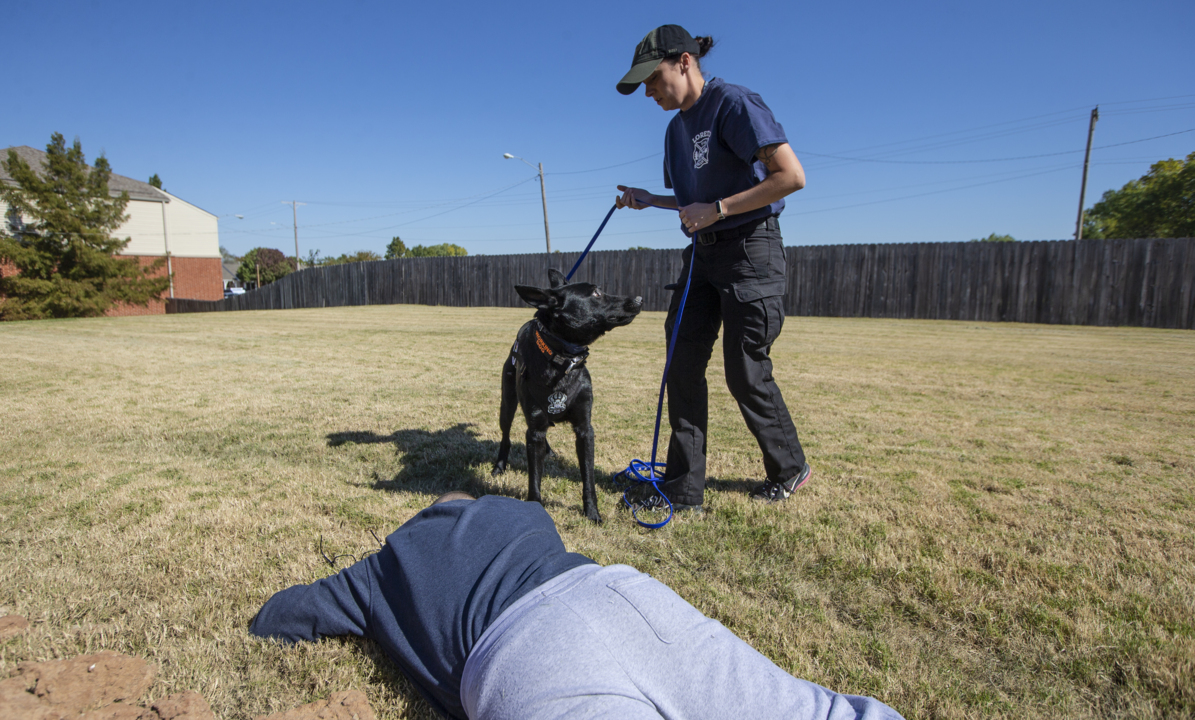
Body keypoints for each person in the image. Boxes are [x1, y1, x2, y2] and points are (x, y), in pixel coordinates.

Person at [250, 493, 905, 720]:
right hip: (618, 596)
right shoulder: (516, 512)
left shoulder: (376, 573)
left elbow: (279, 618)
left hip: (517, 652)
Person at [614, 25, 811, 513]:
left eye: (653, 79)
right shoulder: (674, 130)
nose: (649, 92)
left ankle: (789, 469)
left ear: (684, 62)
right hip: (703, 254)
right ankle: (683, 489)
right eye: (643, 85)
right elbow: (691, 203)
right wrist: (649, 200)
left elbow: (791, 176)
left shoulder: (734, 104)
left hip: (751, 249)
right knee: (681, 362)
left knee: (744, 370)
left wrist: (719, 209)